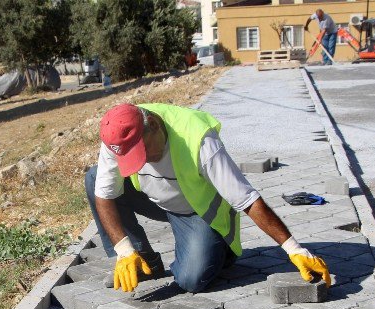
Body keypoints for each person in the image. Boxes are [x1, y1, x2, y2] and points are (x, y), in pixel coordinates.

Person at [84, 103, 331, 293]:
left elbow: (247, 200)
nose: (143, 160)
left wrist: (293, 249)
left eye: (143, 151)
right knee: (95, 178)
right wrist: (124, 250)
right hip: (154, 198)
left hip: (195, 211)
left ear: (155, 126)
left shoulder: (198, 139)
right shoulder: (118, 136)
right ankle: (142, 262)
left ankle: (221, 248)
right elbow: (105, 196)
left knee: (192, 279)